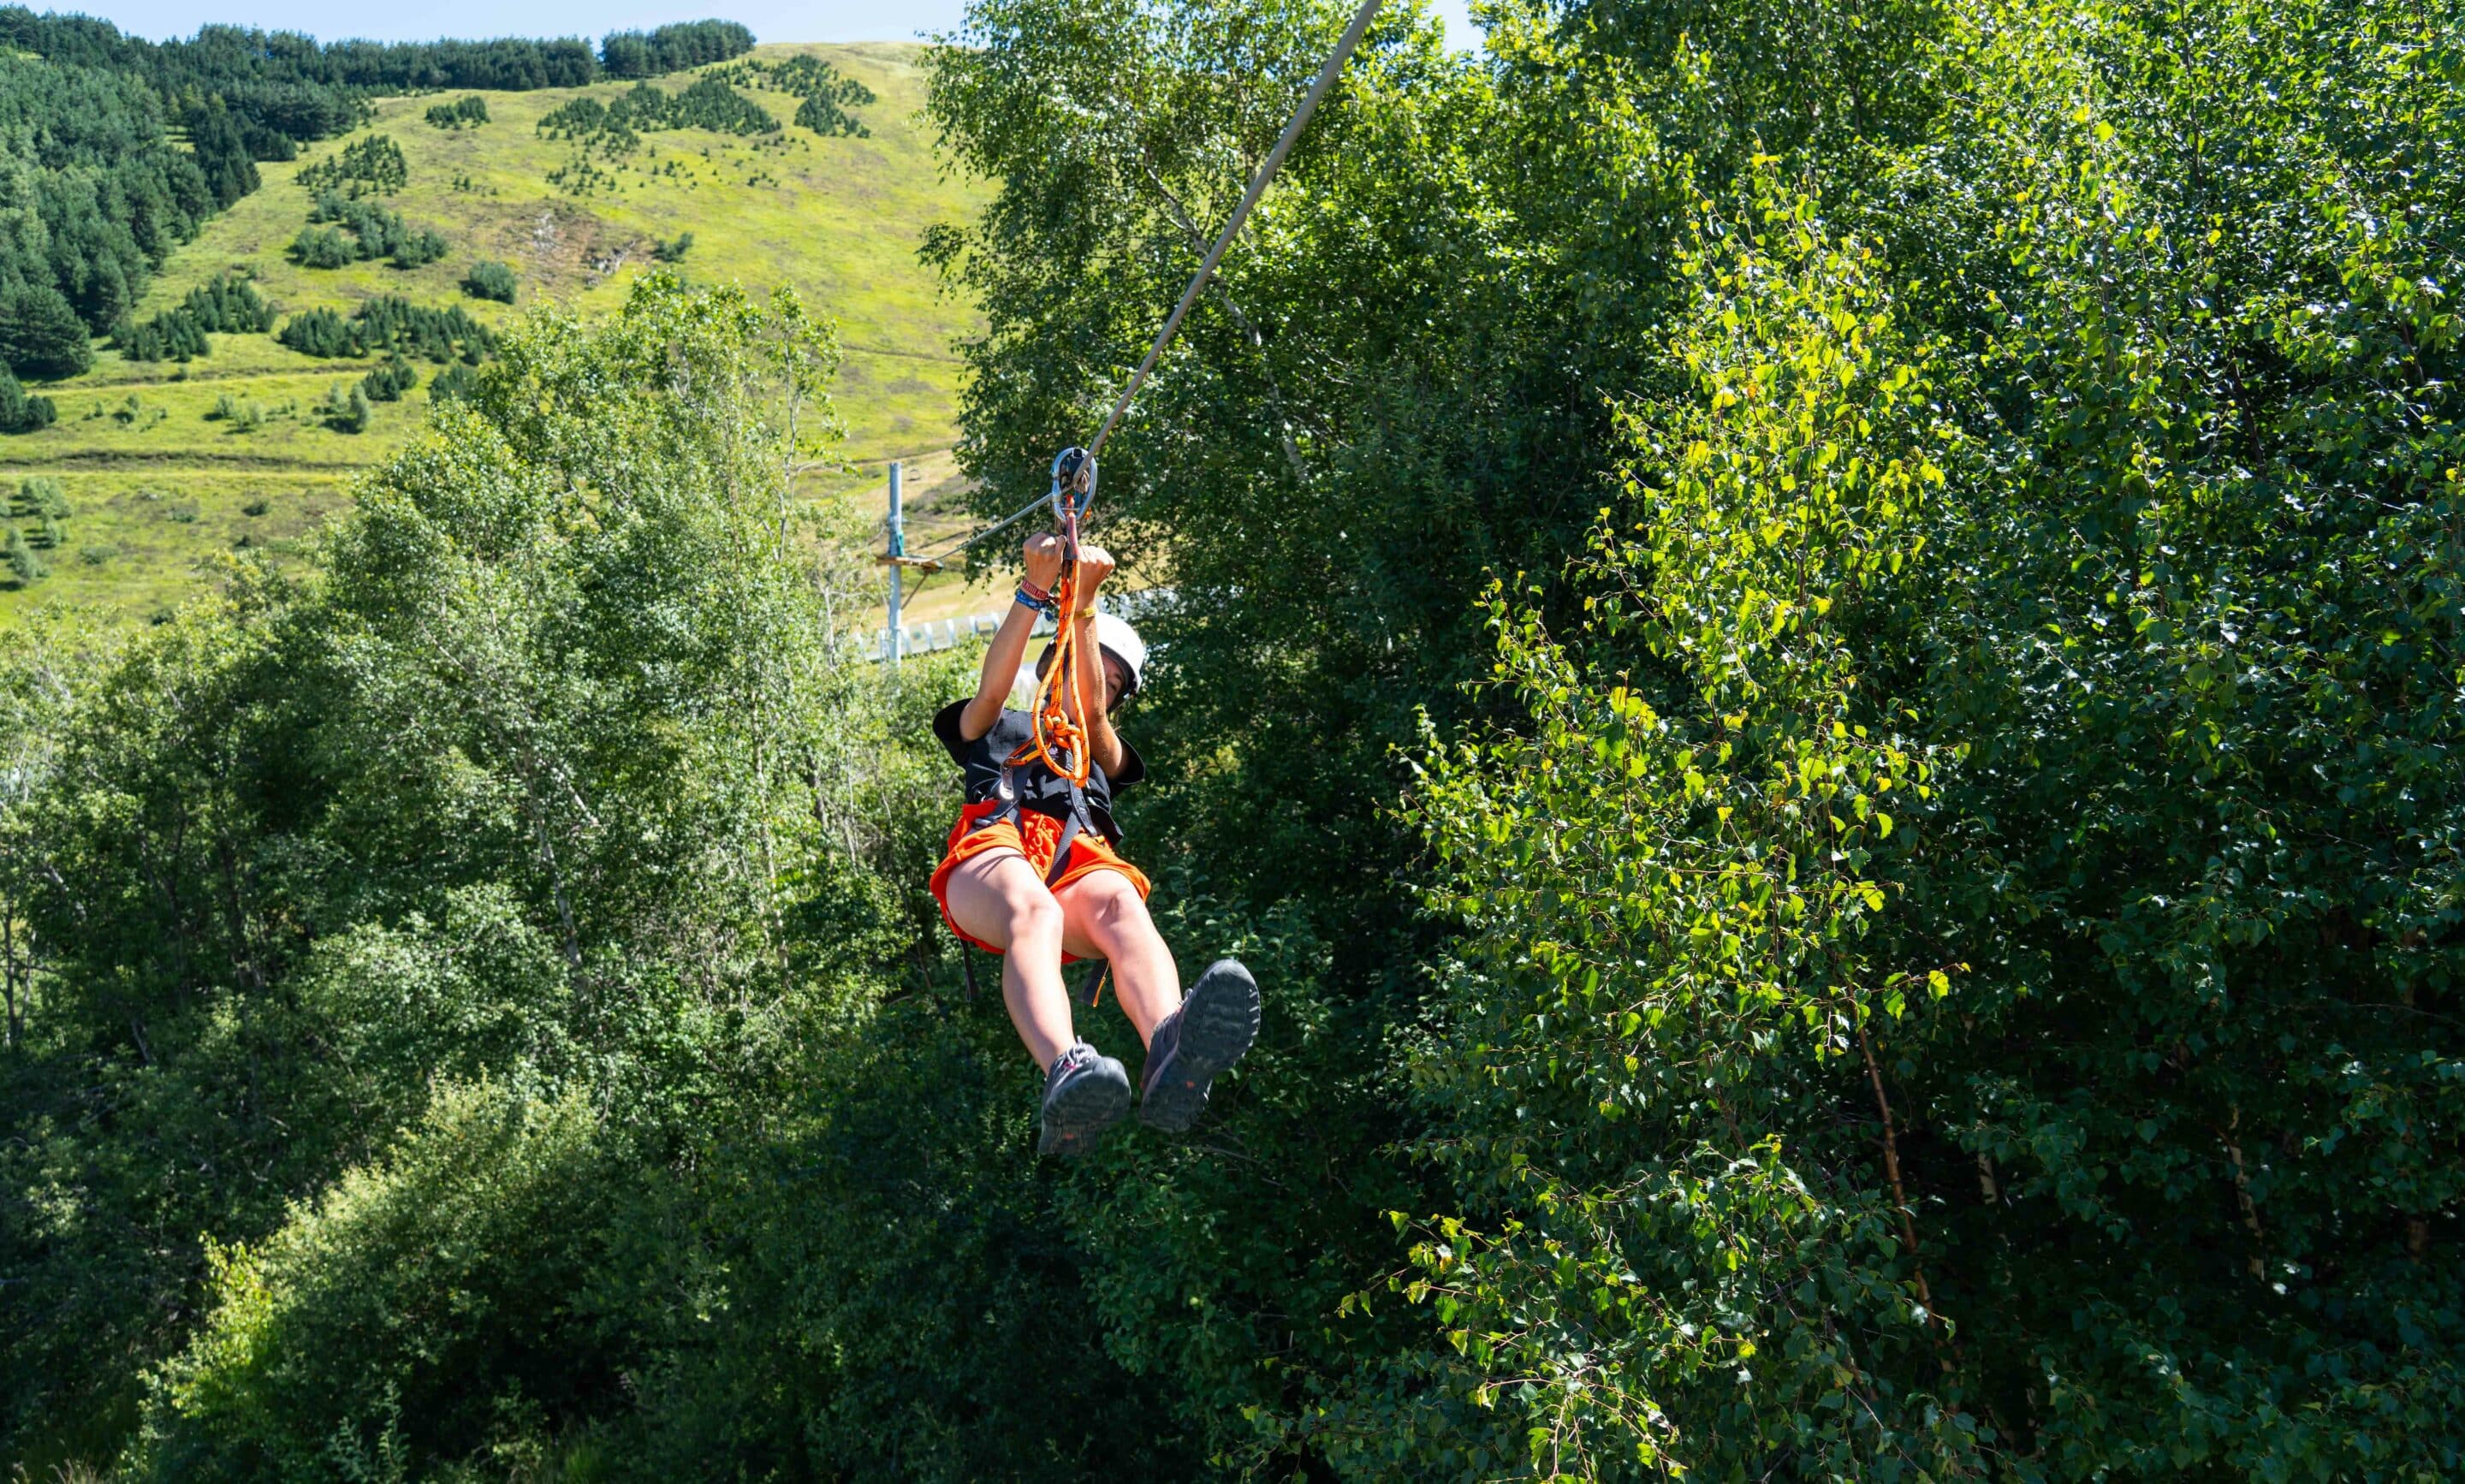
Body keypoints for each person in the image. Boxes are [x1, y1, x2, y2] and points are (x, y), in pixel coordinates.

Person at [930, 532, 1260, 1157]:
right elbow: (992, 693)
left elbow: (1090, 713)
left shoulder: (1100, 756)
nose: (1094, 688)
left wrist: (1081, 603)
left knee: (1118, 901)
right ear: (1052, 659)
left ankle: (1170, 1047)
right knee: (1034, 909)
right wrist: (1037, 591)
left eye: (1111, 684)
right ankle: (1066, 1064)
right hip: (994, 859)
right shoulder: (996, 729)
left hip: (1070, 871)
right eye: (1089, 665)